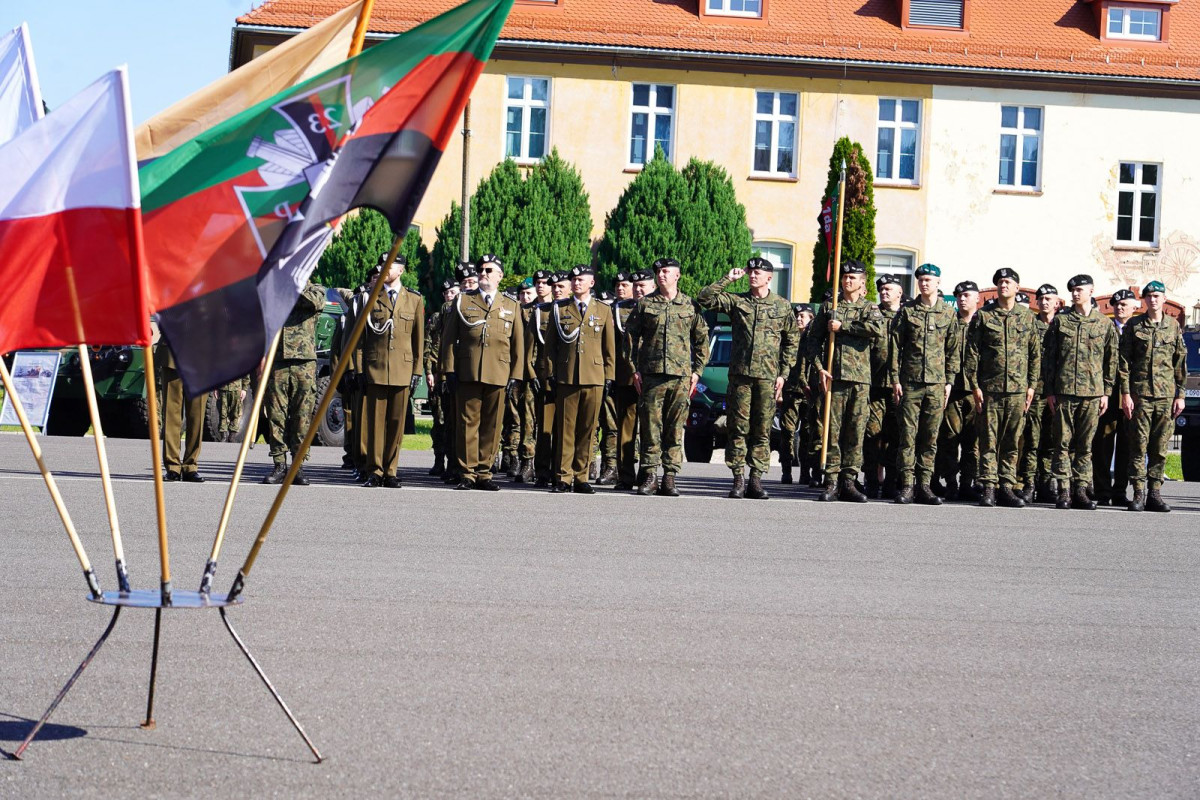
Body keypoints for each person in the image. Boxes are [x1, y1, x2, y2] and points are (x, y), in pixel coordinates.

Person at [698, 257, 799, 500]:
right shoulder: (737, 301)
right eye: (750, 272)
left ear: (769, 277)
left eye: (758, 272)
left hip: (767, 377)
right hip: (740, 376)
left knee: (762, 429)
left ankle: (756, 479)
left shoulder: (782, 306)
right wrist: (728, 279)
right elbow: (705, 299)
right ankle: (738, 479)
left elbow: (791, 341)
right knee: (738, 428)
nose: (753, 275)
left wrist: (783, 374)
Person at [626, 257, 710, 496]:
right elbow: (630, 339)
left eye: (665, 271)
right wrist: (634, 369)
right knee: (650, 428)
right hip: (651, 376)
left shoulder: (690, 305)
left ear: (677, 275)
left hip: (681, 377)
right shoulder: (645, 304)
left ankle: (670, 477)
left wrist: (697, 371)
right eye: (658, 272)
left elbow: (702, 340)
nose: (661, 275)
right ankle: (650, 475)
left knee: (675, 429)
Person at [440, 254, 524, 490]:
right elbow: (448, 340)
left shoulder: (511, 305)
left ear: (500, 276)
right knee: (467, 424)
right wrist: (449, 370)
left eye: (489, 270)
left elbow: (518, 344)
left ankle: (484, 473)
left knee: (492, 425)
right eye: (481, 270)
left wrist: (515, 376)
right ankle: (467, 472)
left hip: (499, 372)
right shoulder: (463, 301)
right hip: (468, 371)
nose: (483, 273)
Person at [806, 260, 886, 502]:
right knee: (832, 431)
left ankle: (849, 480)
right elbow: (812, 342)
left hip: (860, 380)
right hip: (835, 378)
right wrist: (820, 368)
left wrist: (844, 327)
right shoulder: (830, 308)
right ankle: (831, 481)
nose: (847, 280)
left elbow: (877, 329)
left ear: (862, 282)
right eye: (845, 277)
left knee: (855, 431)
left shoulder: (869, 308)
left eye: (853, 278)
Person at [964, 268, 1040, 507]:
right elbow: (972, 353)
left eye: (1008, 282)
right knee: (988, 439)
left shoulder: (1027, 317)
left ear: (1017, 287)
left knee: (1011, 440)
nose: (1003, 285)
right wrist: (974, 386)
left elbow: (1035, 354)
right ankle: (988, 486)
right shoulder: (984, 316)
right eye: (1000, 282)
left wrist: (1031, 386)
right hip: (990, 389)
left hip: (1018, 389)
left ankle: (1006, 485)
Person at [1041, 275, 1118, 510]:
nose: (1075, 293)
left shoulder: (1104, 324)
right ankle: (1064, 490)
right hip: (1064, 392)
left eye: (1080, 289)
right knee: (1062, 443)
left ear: (1091, 291)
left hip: (1092, 393)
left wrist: (1106, 392)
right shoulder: (1061, 322)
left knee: (1086, 445)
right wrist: (1051, 391)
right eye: (1072, 290)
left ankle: (1081, 489)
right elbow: (1049, 358)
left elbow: (1111, 360)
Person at [890, 264, 958, 505]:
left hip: (937, 384)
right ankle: (907, 485)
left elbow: (953, 350)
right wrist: (895, 379)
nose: (924, 283)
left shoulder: (948, 314)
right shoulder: (908, 312)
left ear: (938, 283)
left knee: (930, 436)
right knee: (908, 436)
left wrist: (949, 381)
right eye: (921, 280)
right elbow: (895, 347)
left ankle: (925, 485)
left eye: (929, 280)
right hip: (910, 382)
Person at [1119, 281, 1187, 512]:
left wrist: (1181, 395)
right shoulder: (1134, 325)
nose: (1153, 299)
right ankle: (1138, 493)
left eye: (1157, 296)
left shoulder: (1173, 327)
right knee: (1138, 446)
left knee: (1159, 448)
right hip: (1140, 396)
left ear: (1164, 299)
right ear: (1144, 300)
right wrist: (1126, 394)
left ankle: (1155, 493)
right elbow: (1124, 362)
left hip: (1166, 396)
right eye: (1149, 296)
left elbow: (1180, 363)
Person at [547, 264, 615, 493]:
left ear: (591, 283)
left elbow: (609, 348)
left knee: (588, 430)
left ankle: (581, 476)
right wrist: (551, 374)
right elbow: (551, 347)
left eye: (581, 280)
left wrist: (609, 377)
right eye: (574, 280)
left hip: (594, 377)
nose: (576, 283)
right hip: (567, 377)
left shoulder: (604, 310)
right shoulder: (560, 309)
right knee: (566, 429)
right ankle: (563, 477)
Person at [359, 255, 424, 488]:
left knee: (397, 423)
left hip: (402, 369)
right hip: (376, 367)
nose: (385, 270)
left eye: (391, 266)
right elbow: (360, 339)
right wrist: (359, 368)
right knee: (375, 423)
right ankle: (375, 470)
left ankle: (391, 470)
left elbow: (419, 339)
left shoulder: (414, 299)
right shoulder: (370, 296)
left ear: (402, 270)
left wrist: (417, 370)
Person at [262, 280, 326, 485]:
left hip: (304, 363)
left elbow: (312, 302)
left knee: (302, 416)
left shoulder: (316, 290)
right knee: (275, 415)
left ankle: (298, 465)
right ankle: (279, 463)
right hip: (278, 360)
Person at [1093, 288, 1141, 505]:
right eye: (1117, 304)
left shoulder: (1140, 329)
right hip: (1109, 394)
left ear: (1135, 306)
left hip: (1132, 395)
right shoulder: (1105, 328)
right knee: (1103, 443)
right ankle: (1102, 490)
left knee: (1126, 444)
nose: (1120, 307)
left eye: (1124, 304)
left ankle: (1120, 491)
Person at [935, 280, 981, 501]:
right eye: (959, 295)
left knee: (973, 443)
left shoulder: (984, 322)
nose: (962, 299)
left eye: (967, 295)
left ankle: (967, 483)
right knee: (950, 439)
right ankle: (951, 483)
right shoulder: (948, 321)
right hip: (952, 389)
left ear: (977, 298)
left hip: (975, 391)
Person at [863, 274, 904, 498]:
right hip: (874, 384)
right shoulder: (872, 314)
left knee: (896, 435)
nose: (884, 292)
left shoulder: (908, 315)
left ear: (900, 292)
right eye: (881, 289)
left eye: (889, 288)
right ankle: (871, 480)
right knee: (872, 434)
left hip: (900, 386)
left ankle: (892, 481)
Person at [1019, 283, 1059, 503]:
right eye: (1041, 298)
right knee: (1032, 440)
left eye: (1048, 298)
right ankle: (1029, 484)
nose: (1044, 302)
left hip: (1057, 392)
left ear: (1057, 302)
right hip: (1035, 390)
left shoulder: (1063, 325)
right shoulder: (1029, 325)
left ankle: (1046, 484)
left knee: (1051, 441)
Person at [604, 271, 640, 488]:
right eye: (617, 284)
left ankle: (648, 473)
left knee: (650, 430)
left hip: (654, 376)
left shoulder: (655, 306)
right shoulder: (615, 310)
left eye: (625, 284)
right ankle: (625, 474)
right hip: (625, 376)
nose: (621, 288)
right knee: (625, 427)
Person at [158, 341, 208, 482]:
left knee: (196, 417)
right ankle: (172, 466)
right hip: (173, 355)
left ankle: (190, 466)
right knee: (171, 415)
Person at [424, 277, 457, 477]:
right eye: (446, 293)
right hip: (437, 374)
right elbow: (428, 345)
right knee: (438, 419)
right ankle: (439, 460)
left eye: (452, 292)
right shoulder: (437, 317)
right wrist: (429, 371)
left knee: (452, 421)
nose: (448, 296)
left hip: (453, 374)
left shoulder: (461, 314)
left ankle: (454, 462)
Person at [778, 303, 814, 485]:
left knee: (808, 434)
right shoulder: (788, 339)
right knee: (787, 432)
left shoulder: (814, 338)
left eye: (803, 316)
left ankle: (805, 472)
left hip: (808, 392)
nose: (799, 319)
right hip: (790, 391)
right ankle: (786, 470)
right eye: (797, 315)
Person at [513, 277, 541, 483]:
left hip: (537, 372)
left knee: (532, 419)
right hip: (516, 371)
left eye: (528, 293)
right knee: (517, 418)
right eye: (521, 294)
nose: (525, 297)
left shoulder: (541, 312)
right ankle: (520, 459)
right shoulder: (514, 311)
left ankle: (532, 461)